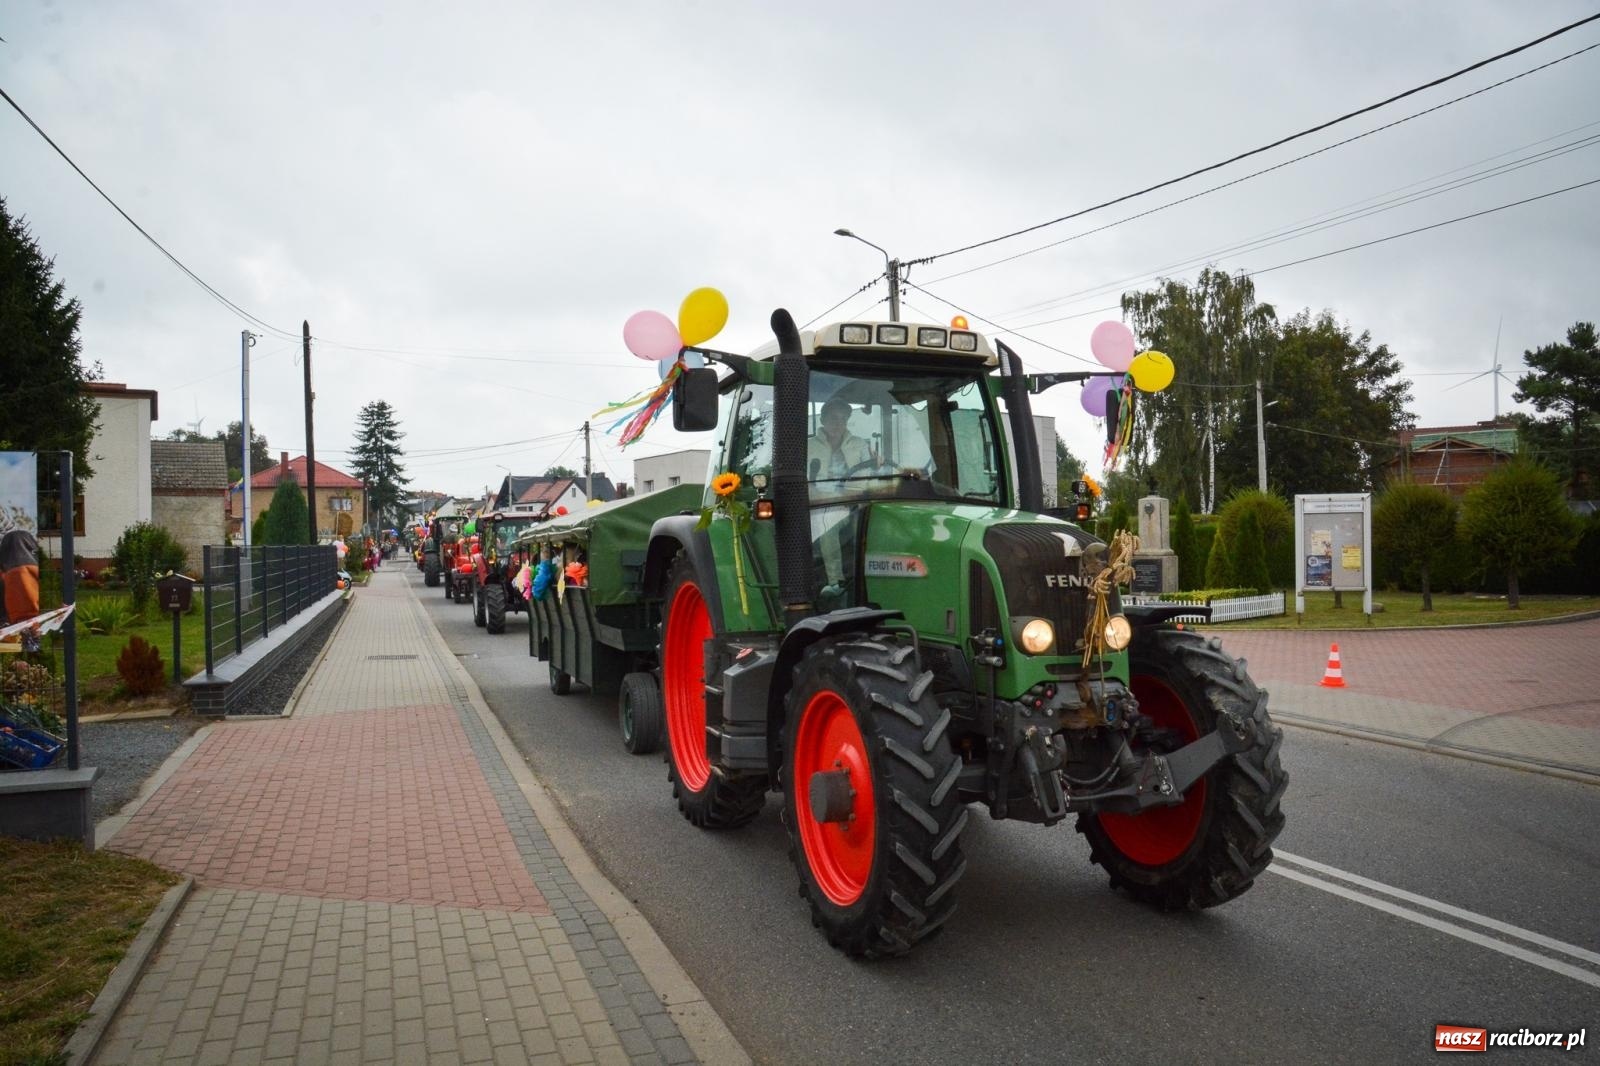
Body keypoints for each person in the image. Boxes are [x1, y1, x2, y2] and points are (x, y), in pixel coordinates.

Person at [806, 398, 877, 483]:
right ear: (822, 420)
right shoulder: (807, 446)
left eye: (843, 419)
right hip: (819, 496)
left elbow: (871, 476)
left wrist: (875, 466)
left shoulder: (861, 444)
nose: (838, 423)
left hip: (854, 495)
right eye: (833, 418)